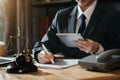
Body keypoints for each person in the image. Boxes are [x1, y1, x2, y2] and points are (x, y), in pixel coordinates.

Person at [32, 0, 120, 64]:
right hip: (67, 74)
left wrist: (97, 49)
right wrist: (41, 54)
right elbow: (43, 45)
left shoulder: (113, 16)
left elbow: (117, 48)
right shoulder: (61, 16)